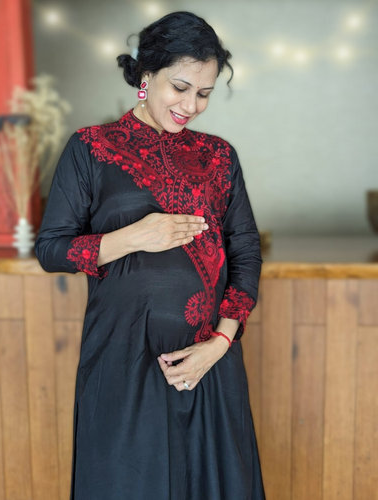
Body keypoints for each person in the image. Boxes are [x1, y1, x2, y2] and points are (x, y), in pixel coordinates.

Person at [35, 10, 265, 500]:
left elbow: (246, 252)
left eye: (204, 93)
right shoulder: (90, 149)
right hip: (123, 360)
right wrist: (133, 236)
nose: (191, 105)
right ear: (146, 75)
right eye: (179, 87)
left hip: (209, 359)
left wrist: (220, 343)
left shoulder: (219, 156)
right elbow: (51, 248)